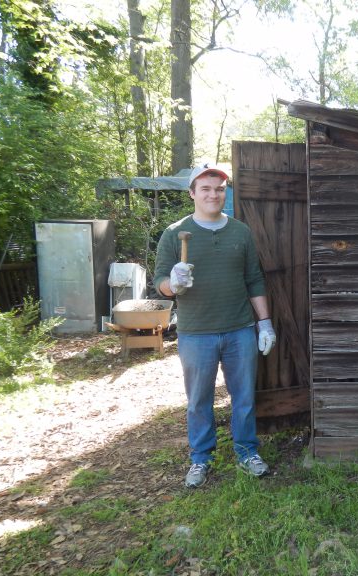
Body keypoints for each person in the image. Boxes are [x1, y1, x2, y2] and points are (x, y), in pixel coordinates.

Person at [154, 163, 276, 488]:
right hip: (196, 333)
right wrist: (173, 284)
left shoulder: (240, 232)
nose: (213, 194)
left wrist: (264, 324)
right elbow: (160, 281)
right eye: (206, 189)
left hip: (240, 330)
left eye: (219, 189)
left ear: (225, 193)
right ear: (192, 193)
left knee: (244, 397)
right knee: (198, 401)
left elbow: (254, 279)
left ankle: (247, 452)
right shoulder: (173, 233)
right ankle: (200, 458)